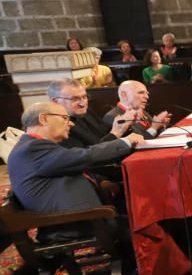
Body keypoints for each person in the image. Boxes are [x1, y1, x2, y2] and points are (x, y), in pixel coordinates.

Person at [7, 101, 143, 244]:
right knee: (146, 224)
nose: (71, 124)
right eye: (65, 118)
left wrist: (101, 182)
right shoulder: (31, 148)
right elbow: (83, 157)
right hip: (76, 223)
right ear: (44, 119)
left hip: (85, 217)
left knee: (140, 213)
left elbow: (71, 166)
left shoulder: (34, 146)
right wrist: (125, 142)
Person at [49, 79, 136, 149]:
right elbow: (88, 157)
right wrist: (116, 133)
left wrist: (125, 124)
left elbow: (105, 133)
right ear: (56, 101)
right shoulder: (58, 126)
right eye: (75, 99)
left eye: (84, 97)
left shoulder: (87, 112)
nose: (82, 104)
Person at [103, 80, 171, 139]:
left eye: (147, 94)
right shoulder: (112, 116)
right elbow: (133, 145)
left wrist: (161, 125)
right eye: (141, 93)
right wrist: (154, 128)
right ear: (124, 95)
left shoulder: (141, 111)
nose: (147, 97)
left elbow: (154, 135)